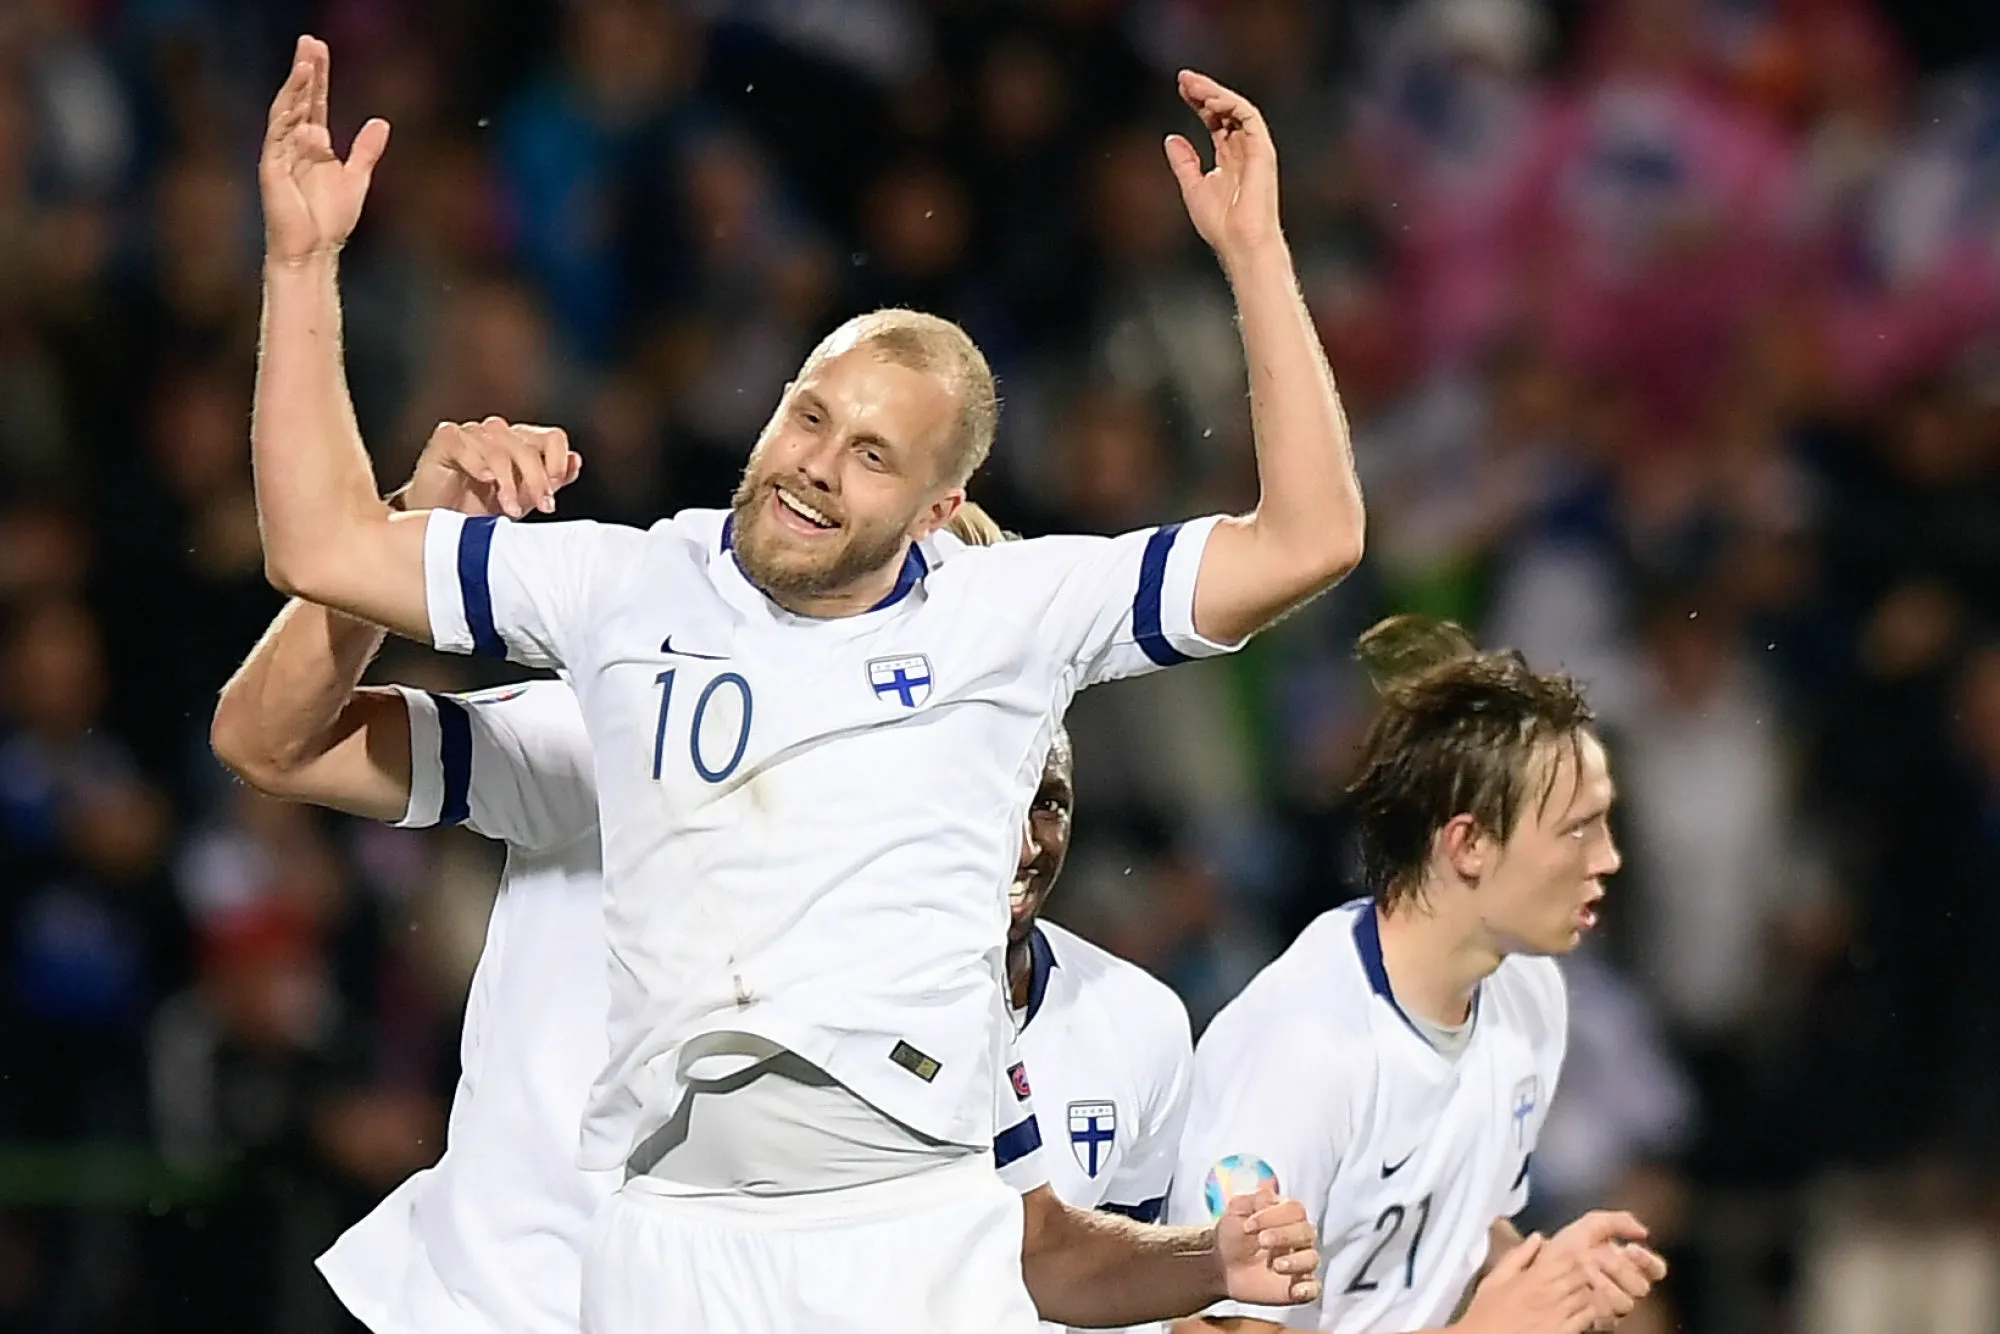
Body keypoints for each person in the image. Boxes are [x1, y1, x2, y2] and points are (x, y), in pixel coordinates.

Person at [250, 35, 1362, 1334]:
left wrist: (1255, 259)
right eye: (812, 418)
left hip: (878, 1232)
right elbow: (317, 556)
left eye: (877, 453)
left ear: (939, 507)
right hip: (641, 1248)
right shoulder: (636, 595)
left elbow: (1311, 539)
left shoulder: (1008, 619)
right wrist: (300, 262)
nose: (826, 465)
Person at [212, 422, 1323, 1334]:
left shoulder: (1040, 1000)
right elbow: (274, 743)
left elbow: (1050, 1265)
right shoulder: (617, 733)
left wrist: (1210, 1264)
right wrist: (394, 540)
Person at [1165, 616, 1671, 1334]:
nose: (1609, 858)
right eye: (1576, 829)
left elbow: (1450, 1236)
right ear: (1468, 844)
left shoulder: (1531, 995)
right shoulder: (1301, 1051)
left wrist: (1544, 1275)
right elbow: (1205, 1332)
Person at [1006, 724, 1198, 1334]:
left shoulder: (1140, 1022)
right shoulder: (841, 1013)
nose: (1028, 844)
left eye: (1048, 805)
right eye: (1001, 801)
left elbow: (1120, 1299)